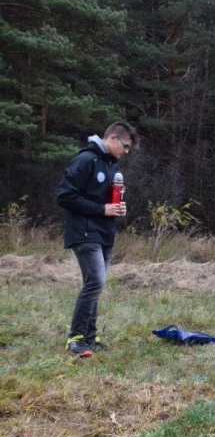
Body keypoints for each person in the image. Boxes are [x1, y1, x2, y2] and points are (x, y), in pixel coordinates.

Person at [56, 122, 138, 357]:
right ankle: (76, 337)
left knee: (96, 285)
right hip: (83, 232)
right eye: (125, 146)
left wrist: (116, 209)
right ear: (112, 138)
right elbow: (65, 196)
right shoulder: (85, 160)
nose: (126, 151)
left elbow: (107, 200)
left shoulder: (113, 166)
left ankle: (90, 336)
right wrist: (102, 209)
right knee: (95, 283)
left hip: (104, 233)